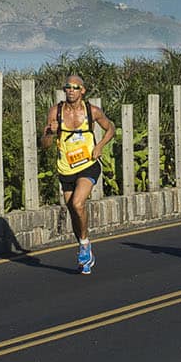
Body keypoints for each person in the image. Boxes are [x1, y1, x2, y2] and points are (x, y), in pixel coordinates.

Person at [41, 74, 117, 274]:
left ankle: (84, 247)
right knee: (73, 211)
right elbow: (45, 145)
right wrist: (50, 132)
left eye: (75, 87)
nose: (71, 90)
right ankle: (85, 245)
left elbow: (111, 128)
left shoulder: (92, 111)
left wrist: (100, 146)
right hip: (66, 169)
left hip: (88, 164)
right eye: (68, 87)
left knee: (77, 203)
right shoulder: (55, 112)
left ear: (82, 91)